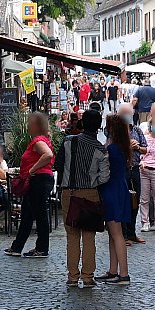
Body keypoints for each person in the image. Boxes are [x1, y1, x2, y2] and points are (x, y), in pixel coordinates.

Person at [54, 108, 106, 288]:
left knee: (72, 236)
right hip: (90, 193)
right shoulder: (100, 149)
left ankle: (72, 276)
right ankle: (88, 276)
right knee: (89, 236)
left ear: (82, 124)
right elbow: (105, 176)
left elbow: (57, 164)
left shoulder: (68, 142)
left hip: (69, 192)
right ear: (99, 127)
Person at [6, 112, 55, 258]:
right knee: (27, 214)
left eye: (31, 122)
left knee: (39, 214)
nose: (28, 125)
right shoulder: (40, 139)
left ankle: (42, 248)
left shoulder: (39, 141)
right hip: (38, 179)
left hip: (39, 179)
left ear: (37, 125)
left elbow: (48, 155)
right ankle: (17, 247)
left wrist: (32, 169)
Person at [97, 113, 134, 285]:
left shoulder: (111, 149)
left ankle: (123, 274)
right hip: (119, 189)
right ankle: (113, 270)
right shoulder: (122, 146)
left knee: (116, 234)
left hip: (111, 190)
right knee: (113, 233)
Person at [117, 103, 146, 244]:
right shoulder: (114, 130)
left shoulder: (137, 130)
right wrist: (126, 145)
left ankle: (131, 232)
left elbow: (146, 149)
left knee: (135, 201)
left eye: (129, 113)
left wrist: (138, 147)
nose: (127, 116)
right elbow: (110, 147)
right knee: (123, 201)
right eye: (124, 113)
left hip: (134, 168)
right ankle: (123, 234)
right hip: (121, 169)